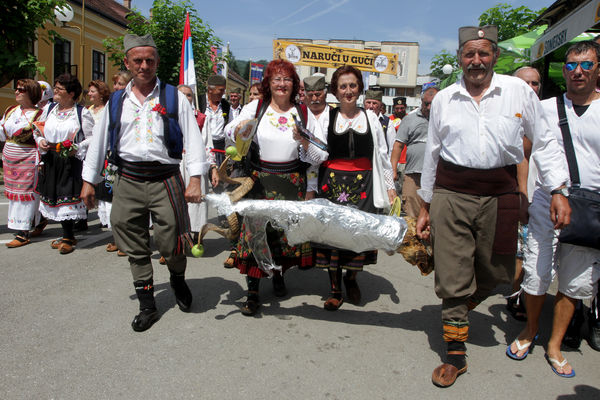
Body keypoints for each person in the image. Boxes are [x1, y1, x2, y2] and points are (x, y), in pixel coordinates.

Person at [415, 25, 570, 388]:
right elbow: (433, 154)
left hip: (501, 193)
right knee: (452, 272)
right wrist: (425, 205)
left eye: (484, 53)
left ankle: (458, 308)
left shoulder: (518, 92)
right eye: (469, 54)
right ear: (459, 58)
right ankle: (455, 351)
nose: (476, 60)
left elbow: (545, 141)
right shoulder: (444, 98)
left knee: (499, 269)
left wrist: (558, 189)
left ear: (495, 55)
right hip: (451, 193)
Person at [81, 34, 208, 332]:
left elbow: (193, 139)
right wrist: (89, 181)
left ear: (157, 62)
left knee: (172, 241)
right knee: (134, 244)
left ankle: (177, 279)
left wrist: (195, 179)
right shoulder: (115, 101)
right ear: (127, 62)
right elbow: (99, 143)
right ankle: (147, 304)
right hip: (128, 179)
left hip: (166, 178)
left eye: (150, 60)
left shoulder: (173, 96)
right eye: (137, 60)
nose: (144, 65)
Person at [507, 40, 600, 377]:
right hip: (547, 200)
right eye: (571, 65)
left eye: (586, 65)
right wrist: (523, 192)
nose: (577, 71)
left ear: (598, 69)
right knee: (536, 272)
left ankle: (555, 344)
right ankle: (530, 330)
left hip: (590, 206)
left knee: (575, 282)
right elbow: (526, 151)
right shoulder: (545, 108)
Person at [225, 59, 323, 316]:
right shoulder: (256, 106)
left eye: (287, 79)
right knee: (255, 235)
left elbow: (317, 156)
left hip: (292, 182)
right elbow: (228, 131)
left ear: (294, 84)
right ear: (268, 83)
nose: (282, 84)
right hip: (259, 182)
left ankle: (279, 275)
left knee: (282, 237)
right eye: (276, 79)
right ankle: (253, 292)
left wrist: (304, 144)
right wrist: (240, 128)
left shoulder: (303, 113)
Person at [310, 66, 396, 310]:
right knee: (333, 237)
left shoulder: (371, 117)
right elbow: (317, 153)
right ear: (335, 92)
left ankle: (352, 278)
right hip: (332, 185)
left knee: (359, 234)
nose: (348, 91)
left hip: (364, 186)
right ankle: (335, 289)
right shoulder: (327, 117)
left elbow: (382, 154)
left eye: (353, 85)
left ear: (360, 88)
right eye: (343, 86)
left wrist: (390, 186)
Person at [34, 73, 95, 254]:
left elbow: (93, 138)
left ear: (71, 93)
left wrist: (77, 146)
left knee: (66, 194)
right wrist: (41, 141)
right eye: (56, 87)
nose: (56, 91)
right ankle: (66, 234)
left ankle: (68, 236)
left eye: (60, 89)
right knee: (54, 195)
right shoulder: (49, 109)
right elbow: (38, 130)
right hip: (51, 158)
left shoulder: (82, 113)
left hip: (69, 160)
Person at [505, 66, 540, 321]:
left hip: (551, 193)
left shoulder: (549, 111)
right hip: (520, 193)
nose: (531, 89)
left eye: (535, 83)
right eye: (525, 83)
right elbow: (521, 159)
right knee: (521, 250)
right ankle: (517, 296)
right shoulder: (509, 115)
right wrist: (522, 194)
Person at [1, 79, 44, 247]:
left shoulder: (39, 114)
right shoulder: (11, 110)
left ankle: (22, 232)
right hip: (10, 158)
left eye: (21, 90)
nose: (16, 92)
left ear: (31, 93)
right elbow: (2, 132)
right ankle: (38, 220)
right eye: (17, 89)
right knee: (13, 194)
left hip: (27, 158)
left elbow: (40, 136)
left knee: (25, 194)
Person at [177, 84, 219, 237]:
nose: (185, 97)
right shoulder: (168, 116)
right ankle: (176, 238)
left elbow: (208, 145)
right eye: (181, 94)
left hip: (195, 162)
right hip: (175, 163)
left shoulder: (201, 118)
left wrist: (213, 168)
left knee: (196, 201)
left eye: (188, 95)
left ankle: (196, 235)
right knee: (175, 200)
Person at [390, 86, 438, 218]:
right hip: (413, 175)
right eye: (426, 103)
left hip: (438, 178)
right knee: (411, 216)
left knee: (435, 217)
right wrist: (393, 170)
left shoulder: (446, 119)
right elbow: (398, 146)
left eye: (433, 104)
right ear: (421, 102)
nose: (429, 107)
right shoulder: (410, 119)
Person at [303, 74, 329, 200]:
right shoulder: (301, 115)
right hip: (303, 176)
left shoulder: (334, 115)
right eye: (310, 95)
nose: (314, 98)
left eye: (318, 94)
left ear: (325, 94)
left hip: (328, 175)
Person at [199, 75, 232, 169]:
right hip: (203, 146)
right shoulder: (199, 101)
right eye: (221, 90)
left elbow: (229, 126)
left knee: (219, 178)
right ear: (210, 89)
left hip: (219, 148)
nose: (223, 93)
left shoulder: (225, 105)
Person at [363, 89, 395, 156]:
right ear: (364, 104)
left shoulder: (387, 122)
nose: (371, 106)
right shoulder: (359, 119)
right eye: (368, 103)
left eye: (374, 103)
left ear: (380, 106)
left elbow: (392, 147)